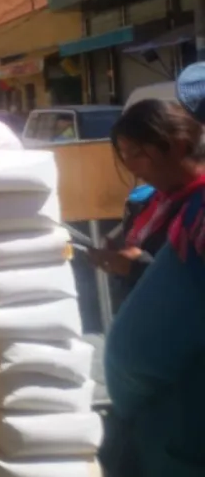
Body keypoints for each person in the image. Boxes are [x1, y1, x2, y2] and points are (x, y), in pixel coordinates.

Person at [99, 88, 205, 477]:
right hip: (160, 416)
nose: (130, 164)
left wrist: (136, 267)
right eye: (123, 153)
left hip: (185, 417)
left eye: (137, 152)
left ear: (178, 144)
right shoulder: (157, 200)